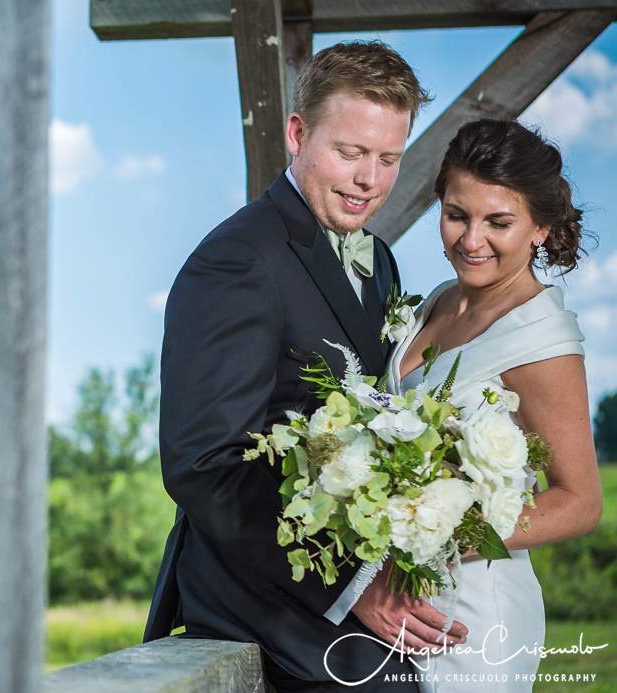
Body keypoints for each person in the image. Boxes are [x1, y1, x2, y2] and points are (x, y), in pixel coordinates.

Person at [144, 40, 467, 691]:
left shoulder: (376, 259)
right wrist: (353, 585)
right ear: (296, 133)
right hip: (262, 591)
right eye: (349, 153)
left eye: (387, 158)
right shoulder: (236, 259)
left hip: (352, 571)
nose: (368, 180)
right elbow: (202, 463)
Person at [385, 118, 602, 691]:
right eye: (457, 215)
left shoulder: (541, 340)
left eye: (498, 222)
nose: (470, 239)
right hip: (398, 601)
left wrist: (432, 534)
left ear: (540, 228)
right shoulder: (440, 301)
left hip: (475, 619)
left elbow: (579, 502)